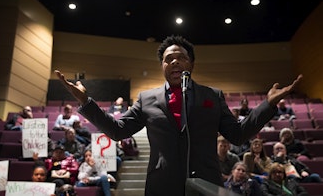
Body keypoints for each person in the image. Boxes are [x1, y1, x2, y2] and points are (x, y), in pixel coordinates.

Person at [54, 35, 303, 196]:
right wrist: (85, 101)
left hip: (206, 183)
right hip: (162, 186)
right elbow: (118, 131)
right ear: (162, 66)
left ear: (191, 64)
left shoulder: (212, 96)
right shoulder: (147, 98)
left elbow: (237, 135)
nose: (174, 62)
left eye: (181, 58)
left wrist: (268, 105)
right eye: (168, 59)